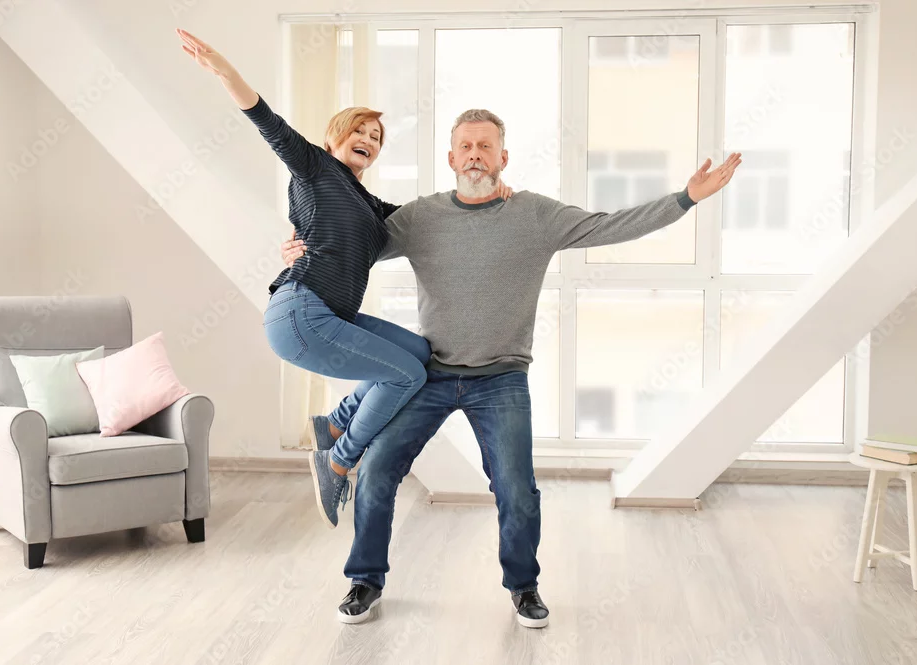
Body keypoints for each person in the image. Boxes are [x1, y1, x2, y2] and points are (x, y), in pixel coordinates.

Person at [284, 109, 742, 626]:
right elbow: (350, 240)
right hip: (431, 373)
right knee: (376, 470)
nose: (475, 155)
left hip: (501, 379)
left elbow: (609, 226)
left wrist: (686, 199)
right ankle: (365, 580)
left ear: (503, 157)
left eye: (486, 146)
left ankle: (524, 587)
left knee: (516, 488)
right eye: (466, 147)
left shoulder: (535, 215)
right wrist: (300, 248)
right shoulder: (419, 218)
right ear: (451, 158)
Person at [177, 29, 513, 529]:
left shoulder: (370, 205)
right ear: (334, 137)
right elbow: (264, 119)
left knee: (420, 353)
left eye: (376, 138)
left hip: (330, 314)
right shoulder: (314, 166)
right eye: (361, 131)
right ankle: (337, 461)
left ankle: (333, 424)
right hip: (301, 312)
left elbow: (431, 221)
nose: (369, 142)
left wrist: (487, 190)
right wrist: (226, 72)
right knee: (407, 375)